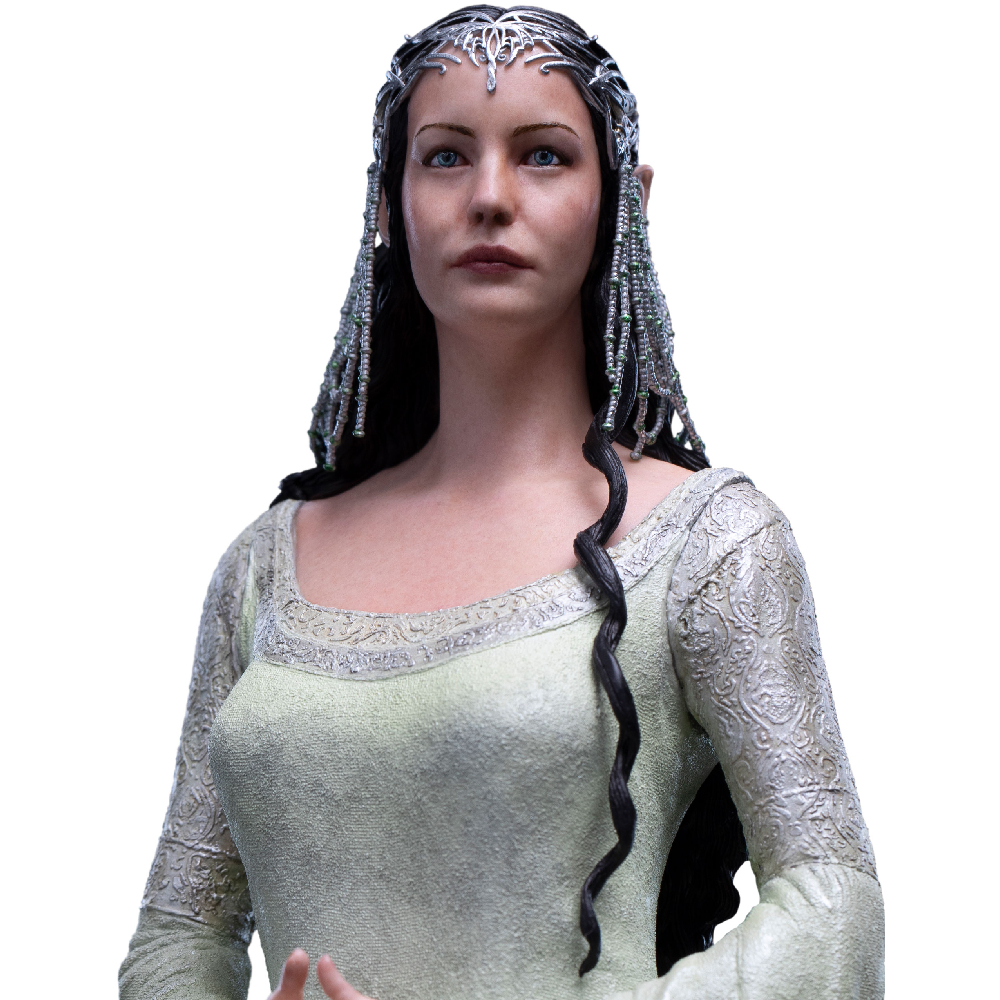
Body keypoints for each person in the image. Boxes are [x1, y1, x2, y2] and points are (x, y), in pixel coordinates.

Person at [119, 7, 885, 1000]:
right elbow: (178, 934)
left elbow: (833, 911)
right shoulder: (264, 568)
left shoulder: (709, 545)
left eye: (543, 156)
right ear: (386, 202)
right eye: (444, 156)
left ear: (625, 201)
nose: (489, 196)